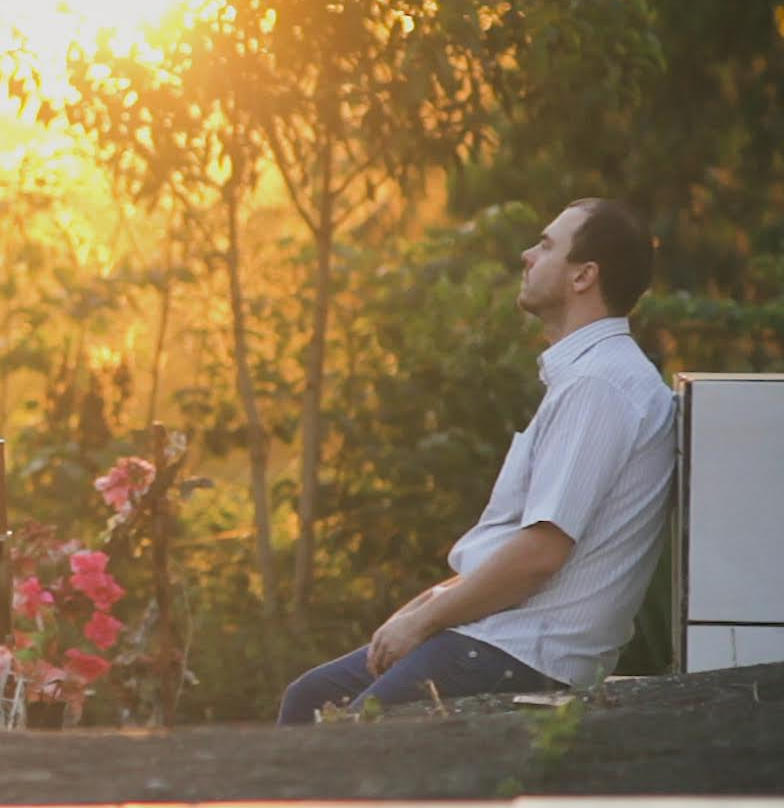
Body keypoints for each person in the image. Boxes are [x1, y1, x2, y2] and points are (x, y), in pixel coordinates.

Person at [276, 198, 676, 725]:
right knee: (309, 699)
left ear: (584, 276)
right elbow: (515, 542)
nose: (527, 255)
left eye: (547, 246)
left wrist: (423, 624)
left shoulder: (598, 386)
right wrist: (423, 606)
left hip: (525, 652)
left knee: (348, 739)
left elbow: (539, 555)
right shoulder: (590, 378)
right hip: (496, 635)